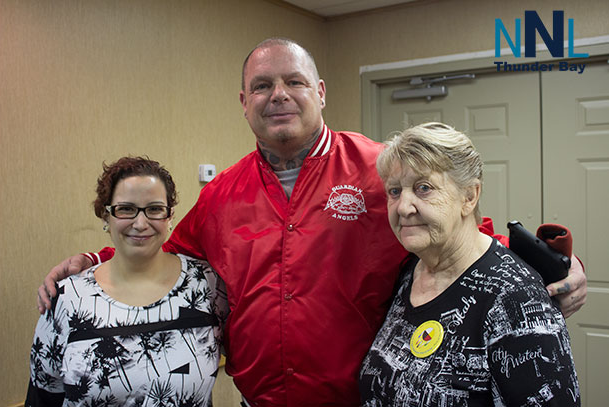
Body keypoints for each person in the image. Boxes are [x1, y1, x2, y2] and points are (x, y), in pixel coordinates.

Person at [37, 39, 586, 406]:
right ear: (244, 102)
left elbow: (465, 235)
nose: (278, 95)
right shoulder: (222, 194)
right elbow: (166, 257)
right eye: (262, 85)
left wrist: (553, 268)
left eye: (294, 82)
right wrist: (94, 263)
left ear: (320, 93)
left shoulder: (379, 169)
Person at [359, 123, 580, 406]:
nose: (403, 207)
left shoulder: (514, 298)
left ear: (469, 196)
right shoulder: (410, 271)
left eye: (423, 188)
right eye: (394, 191)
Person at [27, 157, 228, 406]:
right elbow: (43, 397)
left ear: (170, 216)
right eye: (126, 209)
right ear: (105, 216)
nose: (140, 223)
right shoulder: (67, 299)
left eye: (154, 209)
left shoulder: (205, 285)